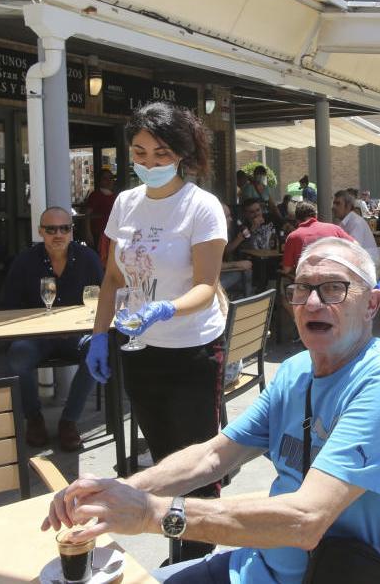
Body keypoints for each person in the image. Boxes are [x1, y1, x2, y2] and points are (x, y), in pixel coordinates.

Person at [44, 238, 380, 583]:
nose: (313, 303)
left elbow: (306, 520)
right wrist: (121, 491)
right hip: (255, 565)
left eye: (334, 289)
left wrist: (150, 514)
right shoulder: (297, 372)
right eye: (302, 289)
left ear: (372, 304)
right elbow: (214, 455)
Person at [83, 101, 228, 562]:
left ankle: (197, 560)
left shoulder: (201, 207)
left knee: (198, 471)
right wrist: (101, 333)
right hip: (139, 349)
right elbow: (113, 278)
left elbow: (207, 285)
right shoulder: (126, 203)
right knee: (165, 462)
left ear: (182, 154)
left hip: (192, 350)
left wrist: (164, 308)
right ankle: (180, 550)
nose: (149, 164)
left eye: (161, 154)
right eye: (140, 153)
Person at [0, 207, 104, 451]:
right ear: (40, 232)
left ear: (71, 231)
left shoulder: (87, 258)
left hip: (76, 335)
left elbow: (102, 298)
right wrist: (41, 326)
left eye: (64, 228)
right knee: (18, 355)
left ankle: (69, 421)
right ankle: (33, 418)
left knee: (97, 350)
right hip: (38, 337)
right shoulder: (25, 261)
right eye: (51, 229)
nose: (58, 234)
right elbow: (8, 306)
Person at [281, 201, 353, 276]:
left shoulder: (293, 237)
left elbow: (286, 269)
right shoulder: (335, 228)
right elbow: (355, 246)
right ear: (315, 216)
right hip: (336, 280)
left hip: (308, 283)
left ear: (297, 220)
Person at [219, 202, 253, 300]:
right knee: (246, 273)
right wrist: (237, 264)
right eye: (227, 216)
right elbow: (211, 266)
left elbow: (226, 251)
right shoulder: (208, 238)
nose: (231, 219)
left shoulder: (223, 233)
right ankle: (248, 304)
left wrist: (240, 238)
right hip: (208, 284)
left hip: (217, 275)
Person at [332, 189, 377, 258]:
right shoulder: (344, 222)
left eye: (338, 203)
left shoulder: (356, 223)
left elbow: (353, 250)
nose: (333, 207)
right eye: (334, 203)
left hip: (367, 265)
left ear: (348, 206)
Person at [83, 168, 118, 252]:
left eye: (111, 178)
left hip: (112, 235)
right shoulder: (95, 195)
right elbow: (87, 215)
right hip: (98, 234)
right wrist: (88, 233)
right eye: (105, 178)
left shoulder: (116, 196)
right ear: (99, 181)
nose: (109, 181)